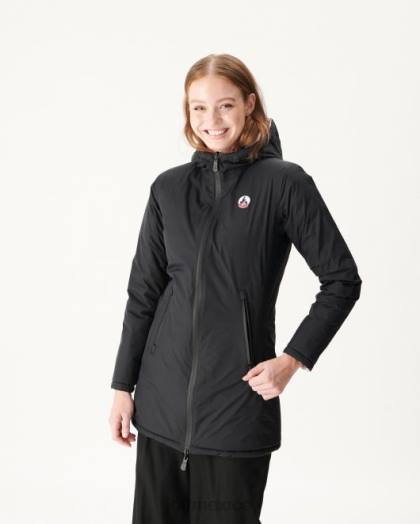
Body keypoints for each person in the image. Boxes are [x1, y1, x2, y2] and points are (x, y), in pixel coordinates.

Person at [109, 53, 362, 524]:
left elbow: (342, 280)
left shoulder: (284, 183)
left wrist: (293, 359)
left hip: (236, 411)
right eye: (199, 108)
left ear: (249, 104)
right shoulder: (168, 189)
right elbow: (143, 294)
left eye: (225, 105)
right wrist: (123, 386)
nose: (212, 120)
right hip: (160, 409)